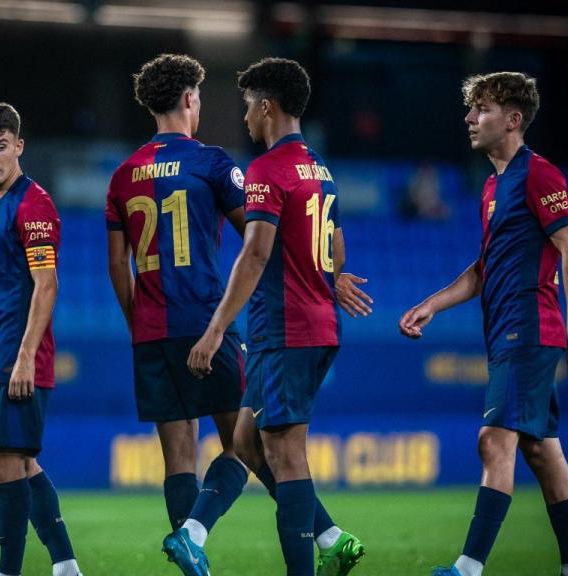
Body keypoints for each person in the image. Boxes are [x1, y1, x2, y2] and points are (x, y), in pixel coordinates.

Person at [399, 72, 568, 576]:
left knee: (494, 441)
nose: (469, 118)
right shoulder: (492, 187)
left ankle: (468, 567)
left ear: (512, 120)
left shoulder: (539, 174)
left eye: (481, 109)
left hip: (529, 329)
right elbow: (485, 268)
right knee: (540, 448)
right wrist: (433, 304)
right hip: (508, 329)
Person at [187, 57, 372, 576]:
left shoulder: (267, 170)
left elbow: (255, 254)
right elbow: (333, 239)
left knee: (287, 455)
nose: (245, 117)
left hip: (286, 329)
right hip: (316, 324)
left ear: (266, 106)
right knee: (246, 442)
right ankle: (330, 538)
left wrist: (216, 327)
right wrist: (333, 276)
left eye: (248, 105)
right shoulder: (320, 167)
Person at [105, 54, 250, 576]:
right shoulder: (211, 161)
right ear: (191, 98)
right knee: (242, 445)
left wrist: (136, 324)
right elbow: (254, 240)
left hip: (151, 330)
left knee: (178, 460)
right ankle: (194, 534)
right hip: (206, 323)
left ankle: (191, 559)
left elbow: (116, 267)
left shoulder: (122, 176)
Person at [0, 101, 83, 576]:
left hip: (18, 356)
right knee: (18, 463)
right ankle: (65, 565)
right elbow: (0, 293)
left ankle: (8, 571)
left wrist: (24, 357)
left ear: (18, 146)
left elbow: (47, 284)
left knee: (4, 462)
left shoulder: (33, 203)